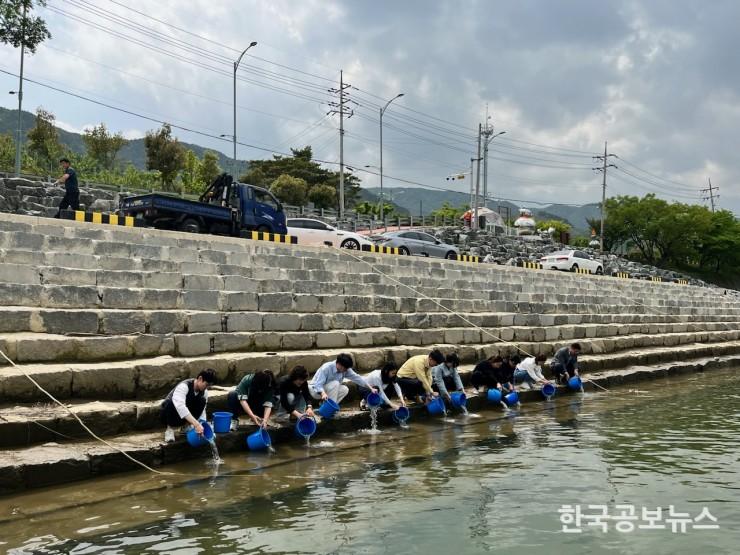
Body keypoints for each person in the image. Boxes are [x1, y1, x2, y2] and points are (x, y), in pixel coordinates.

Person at [160, 368, 216, 443]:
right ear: (200, 379)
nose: (207, 387)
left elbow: (203, 410)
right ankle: (170, 429)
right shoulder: (184, 386)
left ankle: (185, 426)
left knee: (202, 401)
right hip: (169, 413)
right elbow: (180, 407)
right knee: (172, 402)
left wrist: (202, 424)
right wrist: (196, 424)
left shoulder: (204, 392)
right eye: (206, 385)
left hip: (184, 417)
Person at [308, 353, 376, 405]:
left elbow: (358, 378)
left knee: (344, 389)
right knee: (335, 383)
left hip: (328, 390)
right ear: (339, 364)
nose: (346, 370)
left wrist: (371, 388)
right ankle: (330, 408)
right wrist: (323, 393)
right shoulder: (326, 367)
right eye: (345, 368)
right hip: (316, 391)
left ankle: (325, 406)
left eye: (347, 369)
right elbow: (318, 385)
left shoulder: (345, 369)